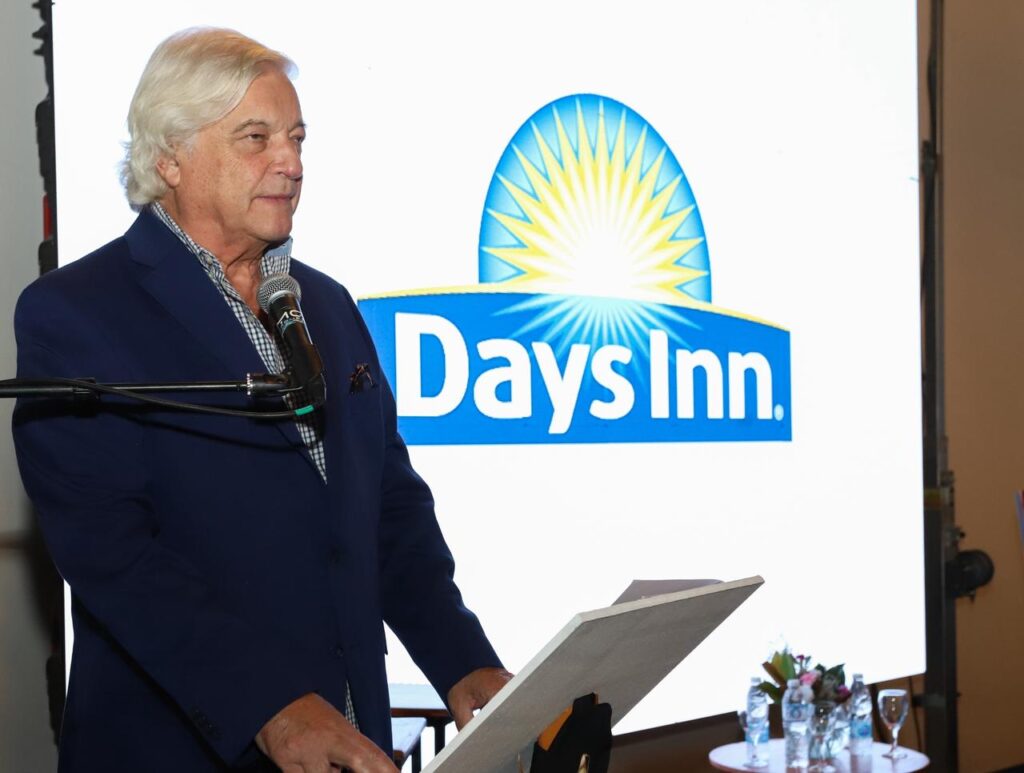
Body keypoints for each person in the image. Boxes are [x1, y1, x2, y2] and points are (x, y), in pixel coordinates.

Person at [13, 27, 510, 772]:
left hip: (354, 738)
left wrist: (461, 659)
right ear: (169, 157)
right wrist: (271, 707)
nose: (291, 162)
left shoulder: (328, 307)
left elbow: (390, 509)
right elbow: (115, 555)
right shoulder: (77, 313)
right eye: (257, 138)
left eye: (297, 138)